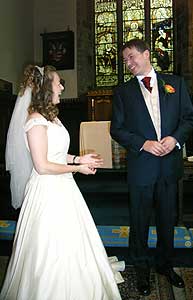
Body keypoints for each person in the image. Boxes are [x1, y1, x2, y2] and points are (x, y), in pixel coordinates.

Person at [0, 65, 124, 300]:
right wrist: (78, 168)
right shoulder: (35, 121)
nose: (62, 87)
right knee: (49, 247)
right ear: (47, 88)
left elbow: (56, 154)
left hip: (64, 187)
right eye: (58, 82)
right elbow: (43, 165)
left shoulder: (52, 118)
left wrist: (78, 158)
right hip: (47, 191)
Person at [110, 39, 193, 297]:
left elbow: (189, 119)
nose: (128, 63)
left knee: (167, 219)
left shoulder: (176, 84)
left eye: (131, 57)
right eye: (125, 60)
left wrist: (175, 139)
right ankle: (142, 269)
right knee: (139, 222)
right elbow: (117, 129)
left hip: (169, 166)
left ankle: (165, 264)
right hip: (142, 167)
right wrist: (144, 144)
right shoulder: (123, 92)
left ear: (146, 54)